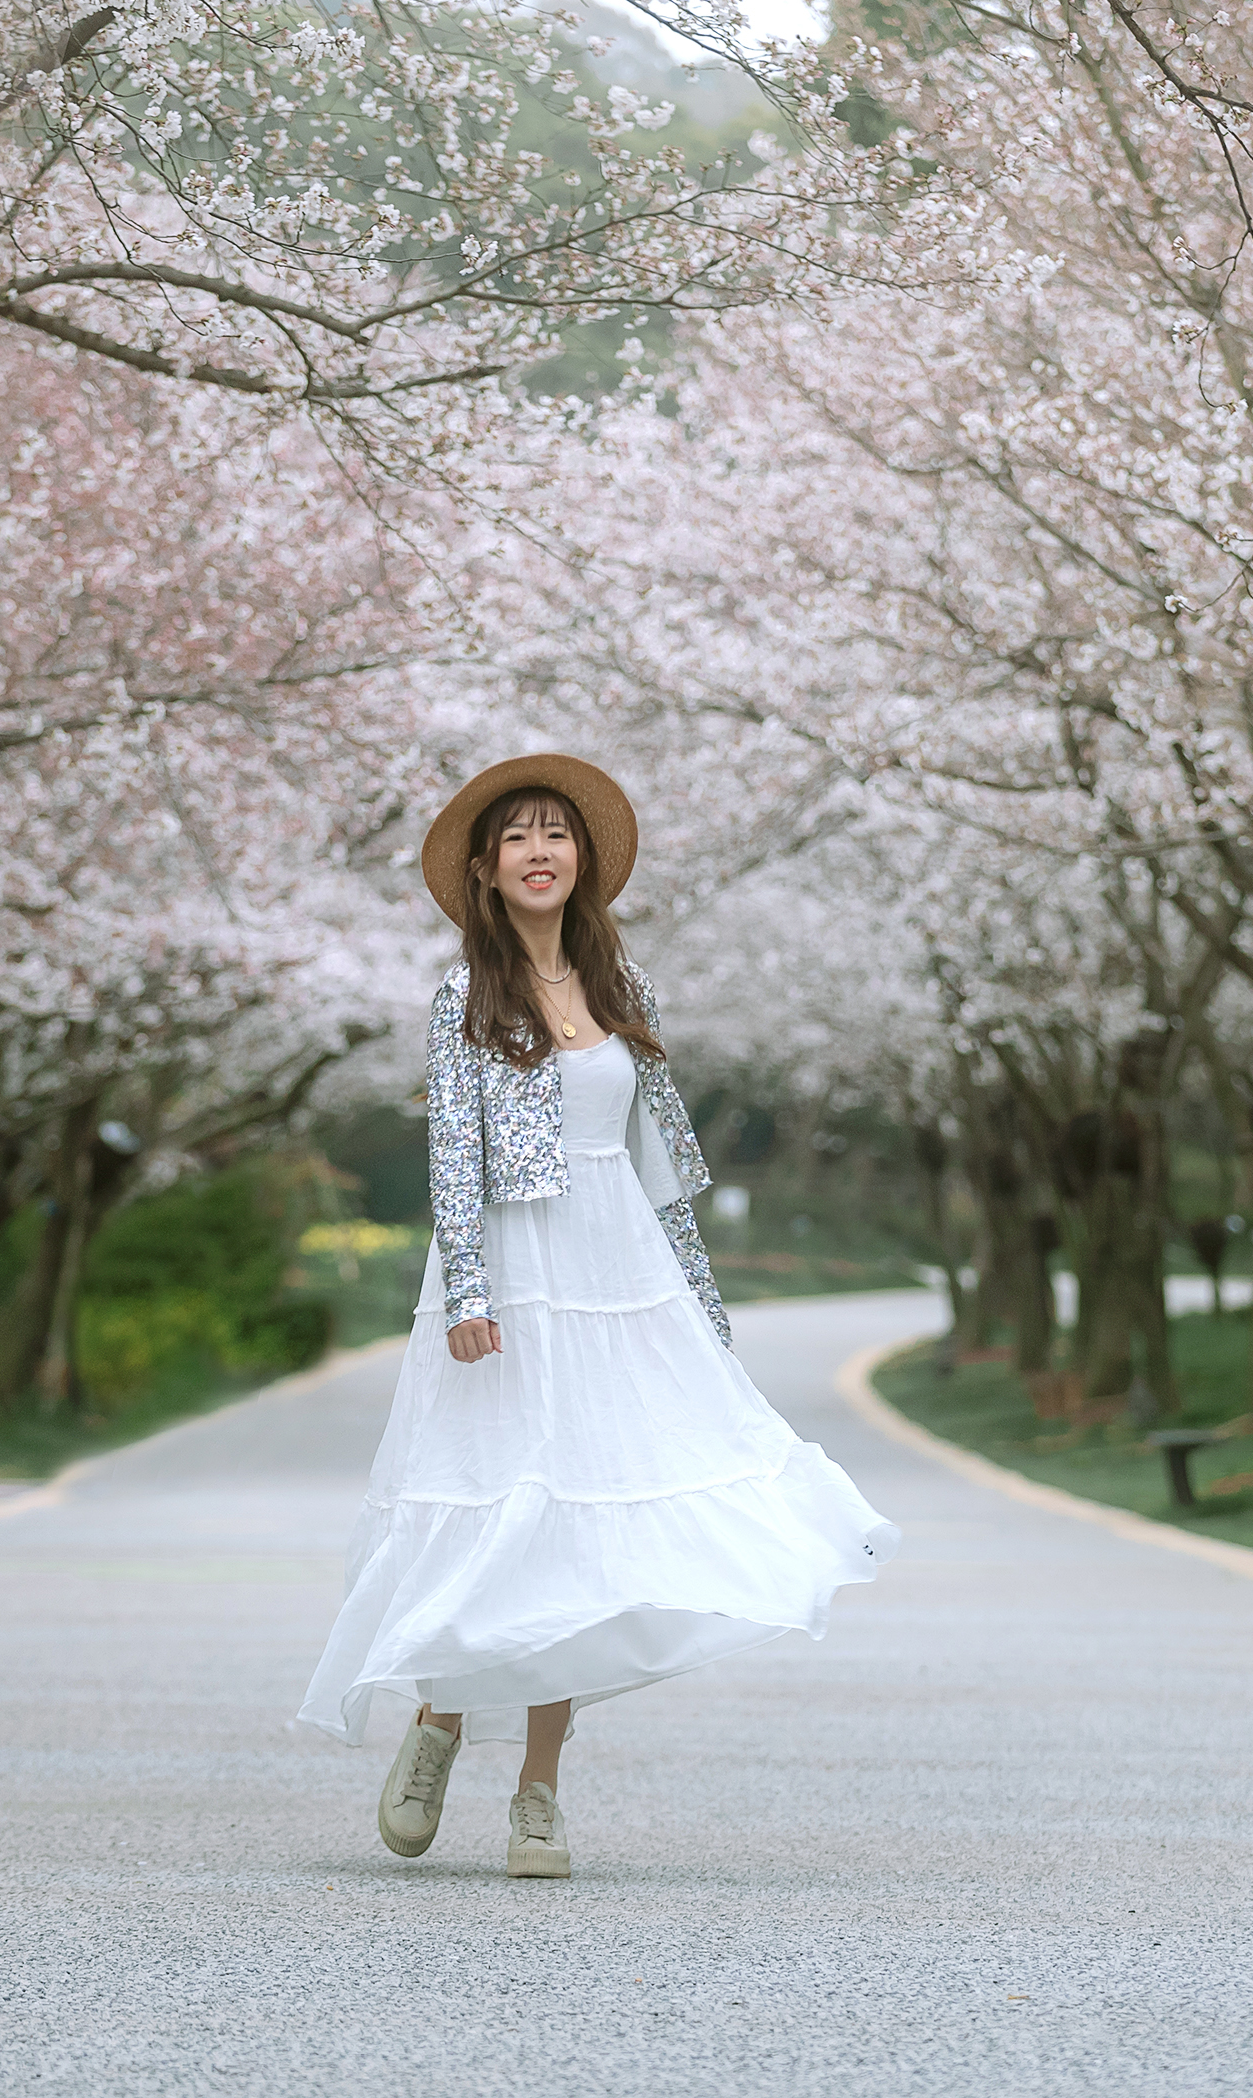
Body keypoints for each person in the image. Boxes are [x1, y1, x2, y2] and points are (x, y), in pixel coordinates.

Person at [294, 753, 897, 1878]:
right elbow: (452, 1157)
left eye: (556, 835)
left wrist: (698, 1306)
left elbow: (658, 1162)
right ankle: (438, 1720)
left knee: (580, 1531)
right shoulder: (463, 997)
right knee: (495, 1507)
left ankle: (539, 1795)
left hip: (617, 1269)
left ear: (583, 863)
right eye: (516, 836)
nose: (538, 851)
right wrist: (467, 1291)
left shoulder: (624, 991)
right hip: (514, 1276)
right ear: (486, 867)